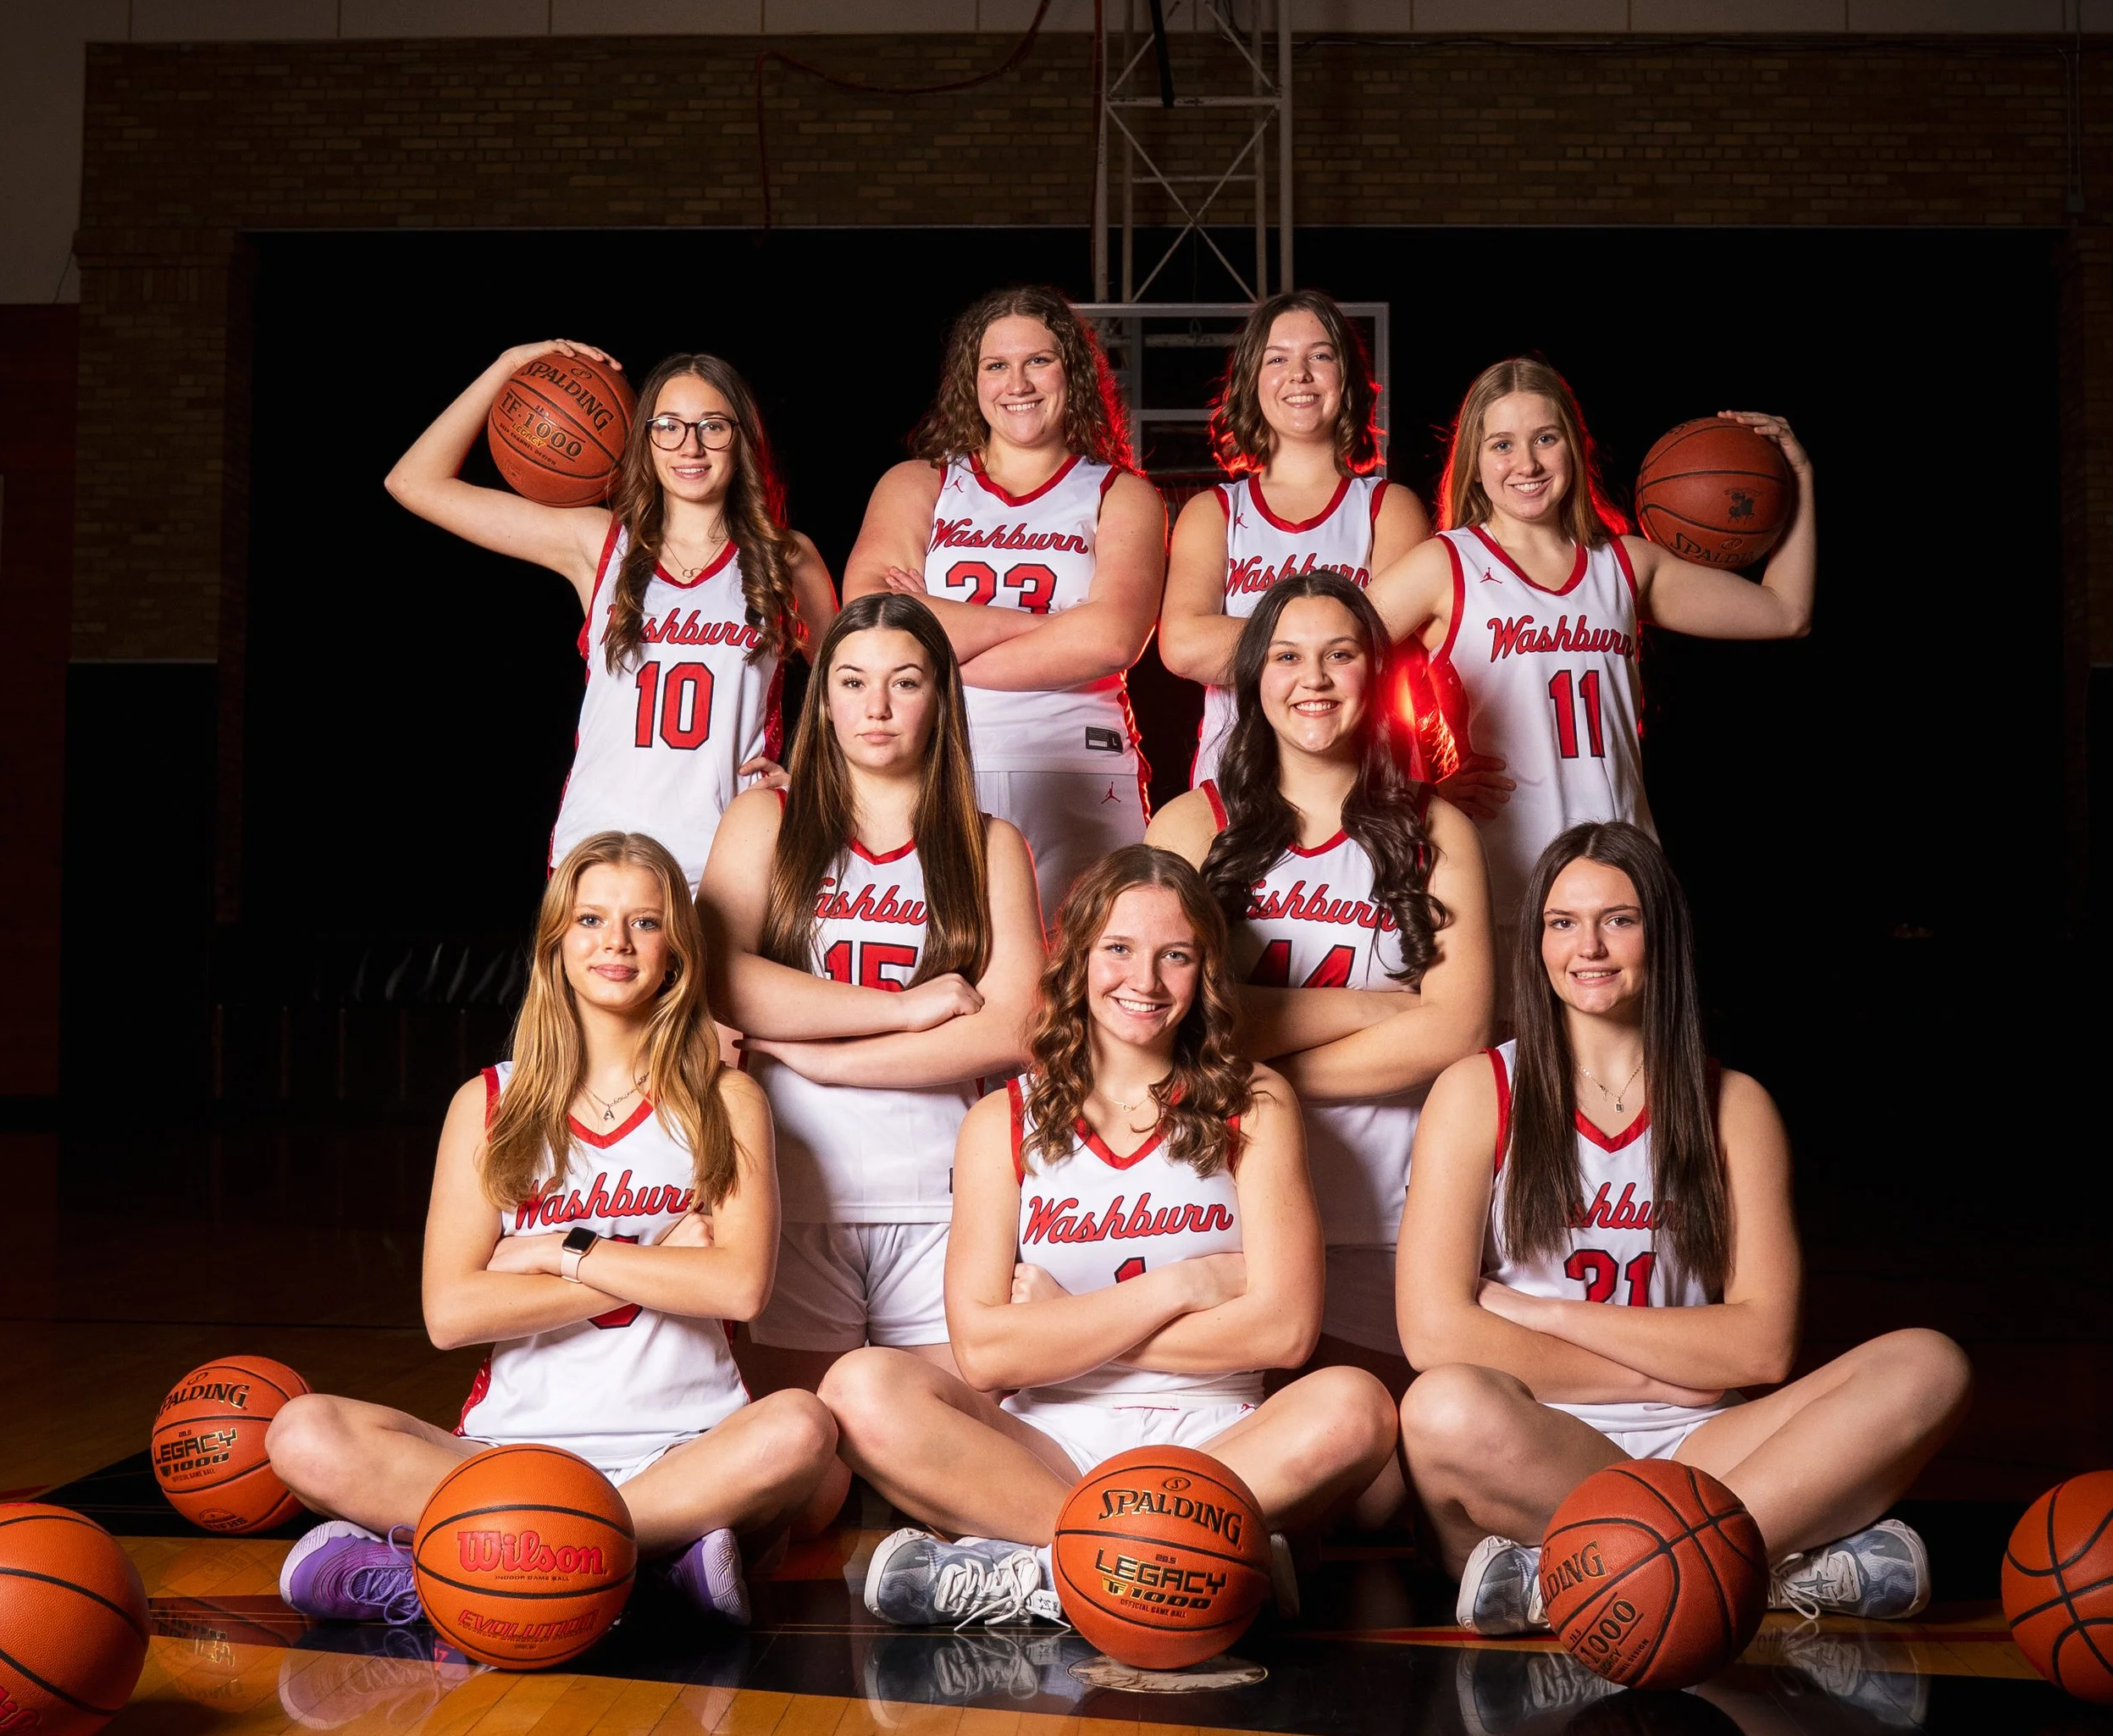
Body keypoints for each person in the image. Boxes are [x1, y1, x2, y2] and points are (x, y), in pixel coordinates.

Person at [1395, 820, 1970, 1634]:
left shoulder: (1734, 1104)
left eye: (1618, 919)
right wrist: (1662, 1372)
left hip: (1712, 1444)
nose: (1588, 946)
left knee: (1927, 1364)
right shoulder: (1477, 1090)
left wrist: (1546, 1312)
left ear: (1660, 932)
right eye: (1563, 922)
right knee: (1441, 1406)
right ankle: (1765, 1562)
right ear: (1537, 942)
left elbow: (1763, 1346)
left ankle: (1586, 1578)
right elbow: (1434, 1333)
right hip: (1541, 1441)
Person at [267, 832, 838, 1628]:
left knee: (802, 1429)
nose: (615, 941)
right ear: (555, 944)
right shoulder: (490, 1104)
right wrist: (652, 1264)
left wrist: (563, 1252)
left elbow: (739, 1283)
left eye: (644, 922)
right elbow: (452, 1313)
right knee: (301, 1431)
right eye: (591, 919)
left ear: (676, 947)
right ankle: (641, 1573)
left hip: (683, 1448)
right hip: (505, 1453)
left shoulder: (724, 1099)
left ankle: (466, 1570)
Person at [821, 846, 1400, 1628]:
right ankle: (1175, 1565)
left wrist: (1064, 1321)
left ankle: (1041, 1575)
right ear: (1078, 957)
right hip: (1048, 1444)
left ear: (1207, 973)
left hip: (1221, 1439)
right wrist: (1181, 1287)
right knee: (858, 1390)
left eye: (1176, 956)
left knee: (1357, 1405)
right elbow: (987, 1353)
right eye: (1119, 949)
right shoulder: (1004, 1120)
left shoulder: (1255, 1102)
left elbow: (1287, 1330)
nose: (1146, 981)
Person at [1148, 573, 1493, 1394]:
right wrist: (1372, 1008)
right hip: (1217, 1200)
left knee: (1373, 1472)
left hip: (1387, 1201)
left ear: (1374, 672)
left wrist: (1241, 1064)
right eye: (1286, 656)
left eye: (1339, 655)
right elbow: (1168, 1022)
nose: (1313, 679)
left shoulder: (1436, 828)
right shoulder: (1189, 823)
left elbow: (1456, 1033)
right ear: (1253, 680)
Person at [698, 593, 1043, 1395]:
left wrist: (823, 1061)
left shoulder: (990, 842)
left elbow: (1017, 1025)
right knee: (806, 1477)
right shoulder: (766, 820)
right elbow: (723, 979)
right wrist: (901, 1008)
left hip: (943, 1203)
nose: (876, 707)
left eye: (905, 682)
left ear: (940, 698)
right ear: (822, 699)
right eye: (851, 682)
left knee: (941, 1455)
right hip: (792, 1193)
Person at [1366, 357, 1814, 970]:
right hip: (1500, 876)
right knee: (1506, 1063)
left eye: (1545, 438)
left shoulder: (1626, 564)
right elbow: (1323, 657)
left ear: (1575, 448)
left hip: (1623, 875)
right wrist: (1417, 790)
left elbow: (1785, 611)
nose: (1526, 463)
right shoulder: (1446, 563)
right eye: (1502, 444)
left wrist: (1799, 477)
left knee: (1623, 1064)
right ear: (1474, 459)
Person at [386, 343, 838, 887]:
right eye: (668, 426)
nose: (689, 445)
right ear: (643, 439)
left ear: (742, 438)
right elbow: (413, 482)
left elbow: (856, 686)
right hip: (596, 855)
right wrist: (510, 365)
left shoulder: (784, 557)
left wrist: (815, 779)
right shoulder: (600, 544)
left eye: (712, 426)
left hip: (728, 861)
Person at [843, 289, 1165, 921]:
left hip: (1079, 766)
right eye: (996, 365)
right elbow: (876, 621)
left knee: (1079, 982)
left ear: (1072, 372)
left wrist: (936, 648)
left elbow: (1111, 640)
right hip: (937, 763)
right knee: (945, 975)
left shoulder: (1122, 494)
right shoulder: (919, 482)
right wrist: (1054, 626)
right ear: (972, 378)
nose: (1017, 382)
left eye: (1039, 361)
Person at [1158, 291, 1429, 786]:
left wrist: (1256, 646)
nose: (1299, 374)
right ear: (1251, 382)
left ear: (1347, 378)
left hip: (1366, 780)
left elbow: (1380, 647)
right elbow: (1182, 646)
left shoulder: (1390, 508)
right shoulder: (1212, 513)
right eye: (1277, 358)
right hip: (1238, 780)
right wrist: (1330, 644)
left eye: (1320, 356)